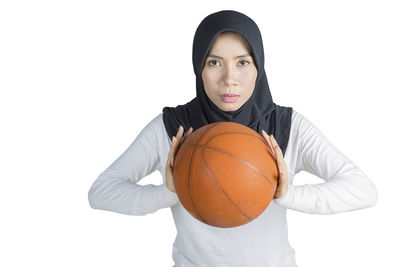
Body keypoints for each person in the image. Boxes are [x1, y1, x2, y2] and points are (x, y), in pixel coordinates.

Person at [88, 10, 377, 267]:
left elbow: (363, 190)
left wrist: (288, 195)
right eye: (214, 62)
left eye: (242, 62)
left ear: (258, 67)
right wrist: (170, 193)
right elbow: (101, 193)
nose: (229, 78)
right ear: (198, 67)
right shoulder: (174, 128)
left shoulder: (286, 126)